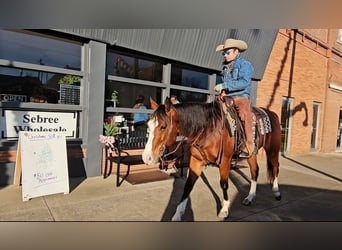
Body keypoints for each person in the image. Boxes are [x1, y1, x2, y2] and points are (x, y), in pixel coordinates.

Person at [214, 38, 256, 158]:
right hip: (227, 97)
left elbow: (244, 82)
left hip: (241, 97)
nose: (225, 55)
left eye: (227, 52)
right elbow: (225, 85)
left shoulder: (245, 65)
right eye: (224, 53)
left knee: (244, 115)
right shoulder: (225, 68)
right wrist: (223, 91)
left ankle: (248, 145)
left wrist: (224, 85)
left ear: (236, 51)